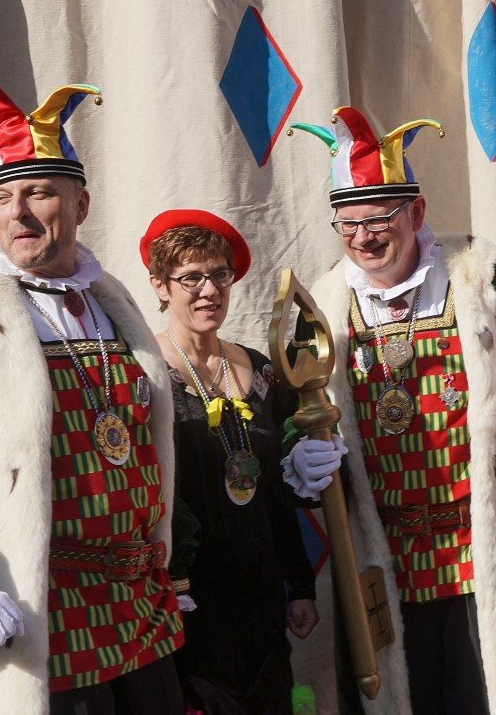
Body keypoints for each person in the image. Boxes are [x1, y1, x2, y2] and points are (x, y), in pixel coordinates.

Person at [283, 107, 496, 715]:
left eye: (379, 218)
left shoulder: (481, 282)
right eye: (347, 223)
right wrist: (301, 456)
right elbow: (297, 419)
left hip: (482, 549)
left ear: (417, 213)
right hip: (385, 563)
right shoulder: (320, 309)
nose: (364, 237)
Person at [0, 60, 183, 714]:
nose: (18, 213)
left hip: (139, 601)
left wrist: (175, 544)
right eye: (2, 197)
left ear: (81, 203)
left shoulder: (116, 303)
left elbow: (145, 434)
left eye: (39, 193)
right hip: (39, 607)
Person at [140, 209, 320, 714]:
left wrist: (299, 586)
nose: (209, 290)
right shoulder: (143, 374)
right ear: (160, 286)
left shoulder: (262, 371)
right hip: (188, 598)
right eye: (191, 277)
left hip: (260, 596)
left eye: (219, 274)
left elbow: (279, 496)